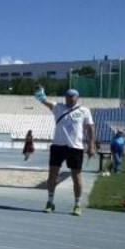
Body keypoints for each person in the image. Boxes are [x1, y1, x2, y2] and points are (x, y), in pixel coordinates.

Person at [34, 86, 95, 216]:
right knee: (52, 175)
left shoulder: (84, 111)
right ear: (65, 97)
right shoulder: (58, 107)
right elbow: (42, 99)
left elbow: (90, 129)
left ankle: (77, 204)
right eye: (68, 96)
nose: (70, 99)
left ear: (77, 98)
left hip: (75, 147)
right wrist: (39, 91)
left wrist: (91, 145)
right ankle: (50, 202)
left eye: (72, 96)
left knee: (76, 177)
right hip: (58, 146)